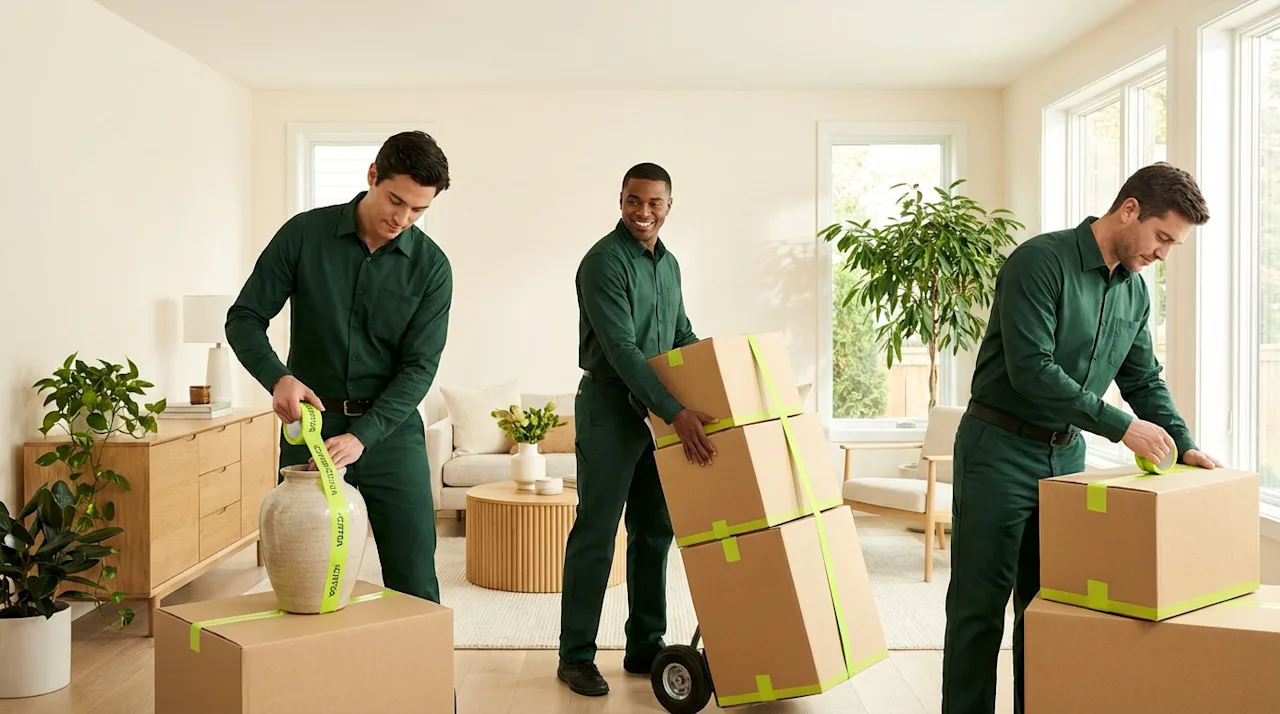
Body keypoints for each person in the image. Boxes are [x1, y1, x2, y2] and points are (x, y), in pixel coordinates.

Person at [940, 162, 1224, 714]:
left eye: (1175, 245)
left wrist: (1182, 443)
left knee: (1047, 609)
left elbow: (1142, 379)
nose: (1163, 254)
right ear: (1130, 209)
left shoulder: (1135, 294)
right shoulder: (1039, 262)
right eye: (1162, 237)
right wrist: (1123, 429)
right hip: (997, 449)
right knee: (979, 607)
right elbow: (1032, 369)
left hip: (1065, 457)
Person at [225, 130, 454, 606]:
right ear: (372, 175)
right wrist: (278, 376)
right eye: (396, 201)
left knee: (414, 575)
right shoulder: (303, 235)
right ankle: (314, 680)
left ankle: (425, 683)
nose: (403, 218)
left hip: (390, 435)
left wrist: (363, 436)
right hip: (311, 428)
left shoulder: (432, 268)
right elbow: (244, 318)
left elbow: (418, 367)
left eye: (419, 210)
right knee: (302, 574)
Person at [556, 162, 718, 697]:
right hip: (610, 408)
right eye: (633, 200)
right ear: (620, 199)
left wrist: (723, 374)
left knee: (654, 530)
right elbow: (623, 352)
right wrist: (674, 411)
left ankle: (644, 645)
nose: (642, 212)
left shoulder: (667, 266)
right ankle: (575, 657)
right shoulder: (603, 262)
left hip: (658, 410)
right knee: (597, 534)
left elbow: (681, 333)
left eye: (653, 203)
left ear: (669, 206)